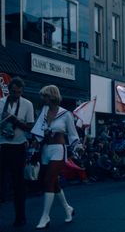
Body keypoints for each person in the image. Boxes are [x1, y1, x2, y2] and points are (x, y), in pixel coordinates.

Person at [31, 85, 81, 229]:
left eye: (44, 96)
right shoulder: (44, 111)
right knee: (53, 182)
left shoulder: (66, 114)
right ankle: (67, 209)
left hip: (59, 149)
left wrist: (77, 147)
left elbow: (72, 134)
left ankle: (45, 216)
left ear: (52, 96)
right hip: (45, 149)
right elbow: (38, 130)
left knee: (48, 180)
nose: (43, 99)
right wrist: (35, 142)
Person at [0, 77, 34, 227]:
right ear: (9, 89)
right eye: (14, 92)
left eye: (19, 92)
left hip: (18, 146)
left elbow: (30, 127)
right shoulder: (1, 103)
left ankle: (20, 217)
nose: (16, 94)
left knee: (18, 184)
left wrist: (15, 121)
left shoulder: (28, 104)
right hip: (2, 146)